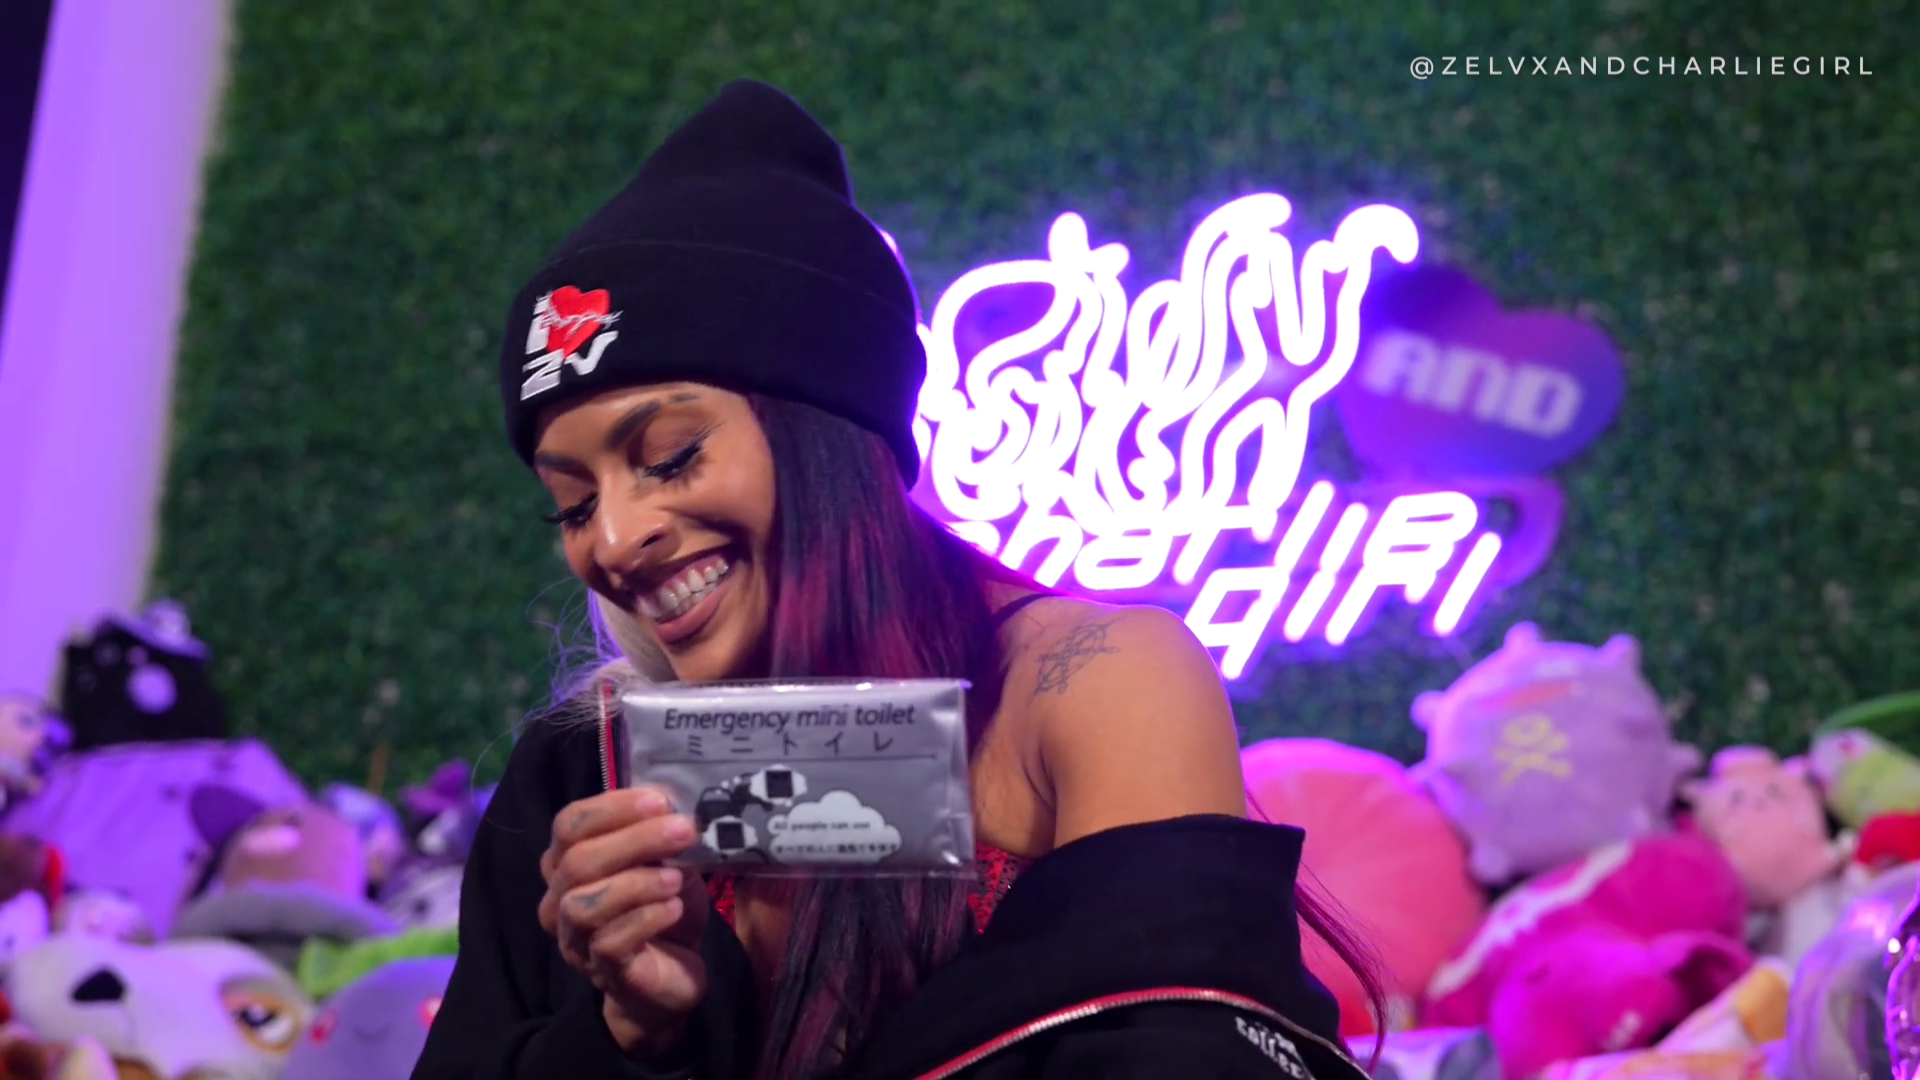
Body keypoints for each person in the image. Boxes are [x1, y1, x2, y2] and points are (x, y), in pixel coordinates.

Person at [413, 79, 1381, 1080]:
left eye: (670, 456)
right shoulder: (588, 773)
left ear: (827, 430)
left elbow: (1180, 1059)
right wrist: (634, 1035)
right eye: (573, 504)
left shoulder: (1092, 679)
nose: (613, 540)